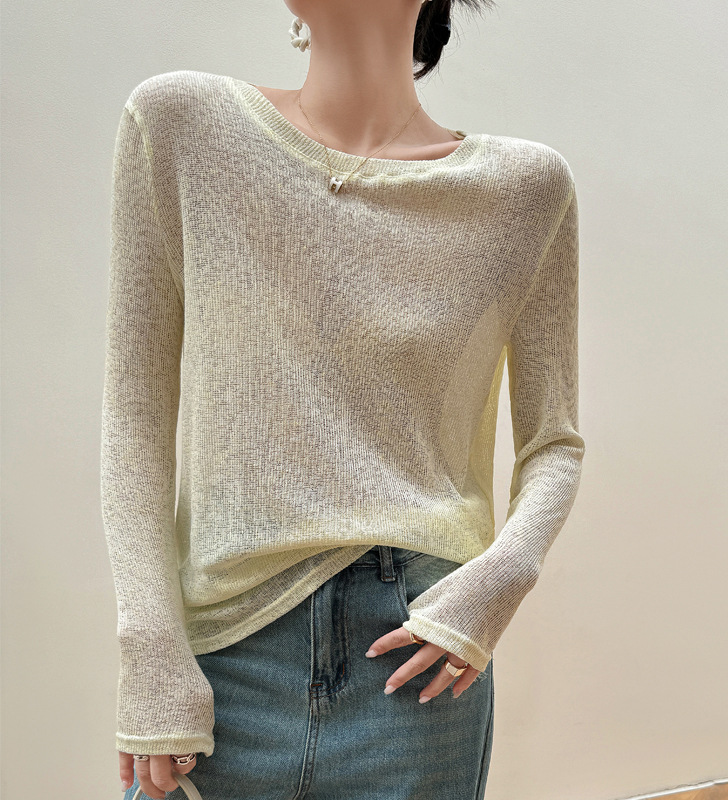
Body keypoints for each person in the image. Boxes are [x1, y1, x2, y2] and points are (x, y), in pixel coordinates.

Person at [101, 0, 585, 798]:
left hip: (418, 651)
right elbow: (135, 419)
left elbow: (554, 442)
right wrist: (149, 646)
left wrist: (502, 576)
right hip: (222, 656)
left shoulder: (524, 189)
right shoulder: (181, 124)